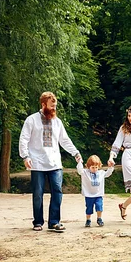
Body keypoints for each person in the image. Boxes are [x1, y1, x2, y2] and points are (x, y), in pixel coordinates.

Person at [19, 91, 82, 232]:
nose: (54, 109)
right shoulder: (31, 120)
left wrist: (75, 152)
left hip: (54, 162)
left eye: (55, 106)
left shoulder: (57, 122)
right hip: (37, 162)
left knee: (57, 191)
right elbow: (24, 139)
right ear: (43, 105)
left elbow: (64, 140)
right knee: (38, 193)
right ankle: (38, 222)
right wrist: (25, 156)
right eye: (51, 106)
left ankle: (54, 221)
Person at [77, 155, 114, 227]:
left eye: (96, 167)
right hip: (88, 195)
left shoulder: (101, 173)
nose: (94, 169)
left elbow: (108, 174)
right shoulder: (85, 173)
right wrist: (79, 162)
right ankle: (88, 220)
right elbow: (79, 170)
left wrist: (111, 167)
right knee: (89, 208)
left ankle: (99, 218)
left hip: (98, 194)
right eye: (92, 167)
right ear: (88, 166)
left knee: (99, 206)